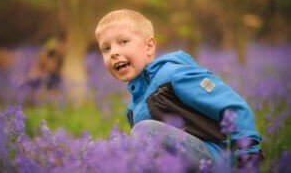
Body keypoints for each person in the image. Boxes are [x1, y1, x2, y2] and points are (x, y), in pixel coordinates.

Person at [94, 9, 263, 168]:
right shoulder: (133, 107)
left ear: (149, 46)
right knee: (108, 148)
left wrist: (247, 156)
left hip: (217, 161)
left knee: (145, 131)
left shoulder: (175, 75)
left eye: (123, 42)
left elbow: (233, 107)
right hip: (179, 165)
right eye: (106, 48)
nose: (114, 52)